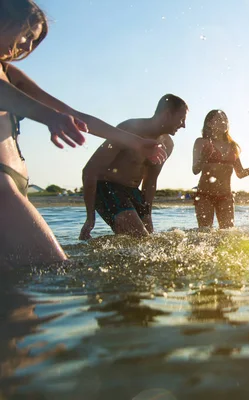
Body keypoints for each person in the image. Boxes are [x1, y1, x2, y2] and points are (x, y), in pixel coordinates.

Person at [0, 0, 166, 267]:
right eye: (26, 35)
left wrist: (137, 143)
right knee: (62, 272)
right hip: (2, 187)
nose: (27, 47)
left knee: (16, 287)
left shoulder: (9, 71)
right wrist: (49, 117)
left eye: (33, 41)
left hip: (16, 186)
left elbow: (78, 117)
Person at [79, 95, 188, 239]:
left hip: (134, 192)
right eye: (181, 119)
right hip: (107, 188)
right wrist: (90, 218)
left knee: (148, 241)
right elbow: (89, 170)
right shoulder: (129, 129)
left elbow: (150, 182)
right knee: (140, 240)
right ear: (167, 114)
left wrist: (147, 213)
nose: (184, 125)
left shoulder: (167, 144)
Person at [192, 109, 249, 229]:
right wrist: (203, 158)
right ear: (209, 123)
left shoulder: (232, 146)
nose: (223, 122)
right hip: (204, 196)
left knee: (227, 234)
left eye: (225, 120)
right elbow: (195, 170)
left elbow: (240, 173)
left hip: (226, 196)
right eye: (219, 119)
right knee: (205, 233)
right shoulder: (201, 142)